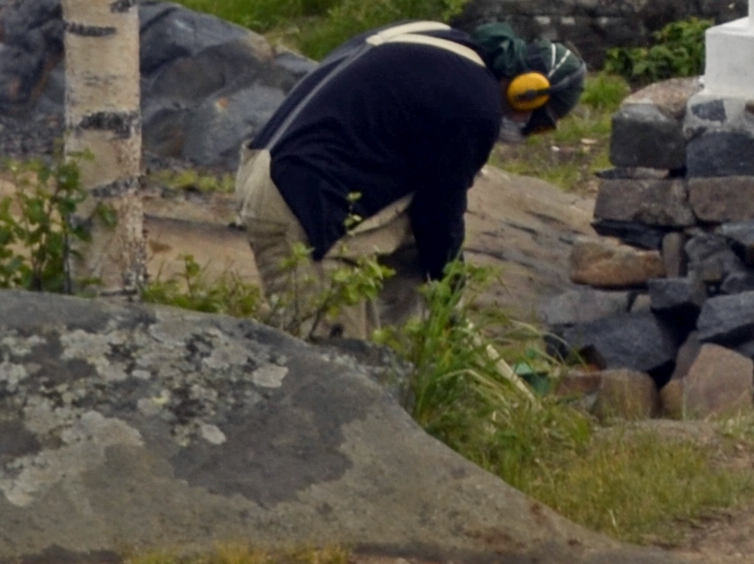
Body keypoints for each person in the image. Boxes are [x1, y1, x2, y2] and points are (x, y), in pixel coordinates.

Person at [233, 18, 585, 333]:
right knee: (328, 369)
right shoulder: (474, 104)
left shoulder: (433, 37)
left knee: (413, 259)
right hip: (304, 203)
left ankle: (406, 354)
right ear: (527, 92)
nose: (523, 132)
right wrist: (451, 297)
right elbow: (439, 213)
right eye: (536, 124)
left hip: (267, 167)